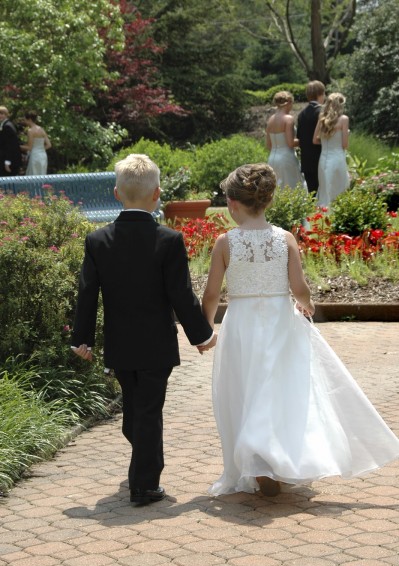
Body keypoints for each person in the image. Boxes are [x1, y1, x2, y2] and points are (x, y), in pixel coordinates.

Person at [201, 163, 399, 498]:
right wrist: (306, 305)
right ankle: (272, 454)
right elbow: (299, 286)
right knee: (278, 389)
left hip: (241, 325)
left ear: (232, 204)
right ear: (268, 200)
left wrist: (205, 330)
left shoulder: (226, 243)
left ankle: (258, 457)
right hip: (278, 321)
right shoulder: (285, 239)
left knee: (244, 388)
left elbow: (210, 294)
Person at [71, 154, 216, 505]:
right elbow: (179, 293)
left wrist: (82, 339)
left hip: (120, 344)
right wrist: (202, 335)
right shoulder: (168, 239)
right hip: (156, 344)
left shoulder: (98, 240)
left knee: (138, 410)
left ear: (117, 193)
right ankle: (145, 485)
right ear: (158, 194)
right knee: (146, 412)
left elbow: (87, 293)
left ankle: (143, 470)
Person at [313, 92, 350, 208]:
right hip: (338, 157)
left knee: (325, 187)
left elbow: (314, 140)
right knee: (339, 187)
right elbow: (344, 144)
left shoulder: (322, 118)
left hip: (324, 158)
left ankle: (324, 211)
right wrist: (347, 135)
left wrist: (324, 143)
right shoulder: (344, 119)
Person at [266, 91, 305, 190]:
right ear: (288, 103)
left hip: (272, 159)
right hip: (286, 158)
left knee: (277, 189)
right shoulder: (288, 119)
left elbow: (269, 145)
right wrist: (305, 140)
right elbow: (290, 143)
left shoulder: (270, 120)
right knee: (292, 187)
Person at [297, 80, 326, 195]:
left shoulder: (301, 114)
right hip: (321, 158)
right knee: (323, 192)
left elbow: (299, 137)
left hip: (306, 160)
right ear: (320, 94)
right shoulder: (322, 112)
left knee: (312, 194)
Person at [21, 110, 51, 175]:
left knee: (33, 174)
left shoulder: (30, 131)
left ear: (29, 119)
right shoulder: (41, 129)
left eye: (25, 119)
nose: (25, 121)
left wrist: (18, 146)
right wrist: (40, 150)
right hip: (43, 155)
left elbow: (29, 147)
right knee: (41, 174)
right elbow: (49, 145)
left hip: (35, 155)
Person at [0, 106, 22, 176]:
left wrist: (7, 162)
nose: (0, 115)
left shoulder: (7, 127)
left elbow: (10, 146)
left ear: (6, 115)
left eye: (2, 114)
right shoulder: (5, 125)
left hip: (9, 161)